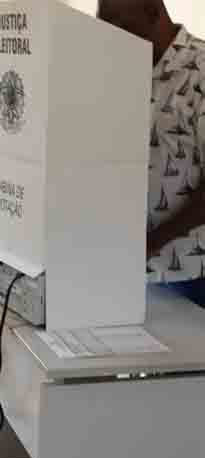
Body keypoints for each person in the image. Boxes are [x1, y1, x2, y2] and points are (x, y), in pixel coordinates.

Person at [99, 0, 205, 304]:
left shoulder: (199, 70)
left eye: (122, 27)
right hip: (131, 272)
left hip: (191, 273)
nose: (114, 37)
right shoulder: (120, 72)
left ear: (153, 12)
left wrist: (153, 241)